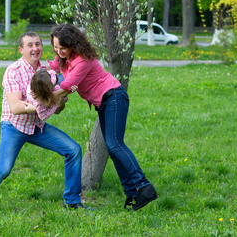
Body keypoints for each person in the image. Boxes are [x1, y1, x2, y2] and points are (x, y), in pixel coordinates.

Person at [0, 31, 88, 211]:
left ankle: (72, 201)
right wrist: (46, 102)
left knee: (73, 150)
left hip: (37, 126)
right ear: (21, 49)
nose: (35, 48)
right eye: (30, 45)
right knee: (3, 168)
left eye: (38, 44)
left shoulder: (47, 72)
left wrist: (60, 101)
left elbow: (57, 109)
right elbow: (16, 107)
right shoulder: (13, 71)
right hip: (14, 125)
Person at [49, 23, 157, 211]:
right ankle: (132, 194)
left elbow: (67, 85)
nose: (58, 52)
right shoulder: (65, 58)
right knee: (113, 147)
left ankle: (144, 187)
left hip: (114, 97)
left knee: (115, 145)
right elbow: (52, 69)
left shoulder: (83, 60)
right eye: (55, 47)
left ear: (73, 44)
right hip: (105, 102)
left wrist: (41, 100)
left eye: (62, 48)